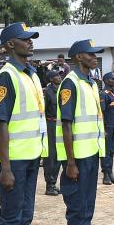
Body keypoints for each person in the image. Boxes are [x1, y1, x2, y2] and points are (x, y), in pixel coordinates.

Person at [0, 22, 52, 225]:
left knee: (25, 218)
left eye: (31, 39)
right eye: (25, 39)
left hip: (30, 157)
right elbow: (1, 124)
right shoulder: (6, 76)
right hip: (13, 161)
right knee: (12, 220)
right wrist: (4, 167)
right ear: (10, 45)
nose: (31, 43)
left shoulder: (31, 75)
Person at [58, 39, 110, 225]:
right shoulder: (71, 83)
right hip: (77, 158)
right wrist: (70, 162)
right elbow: (66, 126)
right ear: (79, 57)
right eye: (91, 54)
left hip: (91, 154)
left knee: (87, 208)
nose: (95, 57)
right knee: (78, 209)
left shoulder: (90, 82)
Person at [41, 67, 63, 195]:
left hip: (60, 124)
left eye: (60, 75)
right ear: (50, 79)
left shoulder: (61, 91)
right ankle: (49, 184)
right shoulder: (48, 92)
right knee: (51, 156)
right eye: (56, 76)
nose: (59, 77)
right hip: (50, 124)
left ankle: (54, 183)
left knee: (59, 154)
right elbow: (43, 111)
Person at [100, 73, 114, 184]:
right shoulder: (104, 94)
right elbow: (102, 112)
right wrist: (103, 128)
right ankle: (106, 175)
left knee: (111, 151)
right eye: (113, 79)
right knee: (106, 151)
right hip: (108, 126)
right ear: (106, 81)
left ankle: (111, 173)